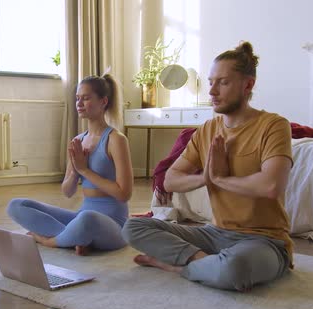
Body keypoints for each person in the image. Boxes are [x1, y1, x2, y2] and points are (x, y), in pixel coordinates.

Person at [122, 41, 294, 291]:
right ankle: (206, 264)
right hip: (214, 234)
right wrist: (206, 178)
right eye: (211, 82)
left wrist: (220, 179)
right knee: (133, 226)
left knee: (235, 269)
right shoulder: (207, 130)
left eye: (223, 82)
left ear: (248, 85)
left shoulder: (274, 126)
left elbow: (271, 186)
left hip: (264, 241)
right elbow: (170, 181)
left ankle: (180, 266)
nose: (212, 91)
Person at [7, 73, 133, 256]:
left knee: (87, 219)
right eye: (77, 99)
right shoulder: (78, 141)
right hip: (80, 217)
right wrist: (75, 170)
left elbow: (124, 194)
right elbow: (67, 192)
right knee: (16, 205)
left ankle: (50, 240)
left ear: (103, 101)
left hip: (113, 225)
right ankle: (77, 238)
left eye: (86, 98)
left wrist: (84, 170)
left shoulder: (116, 140)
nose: (79, 104)